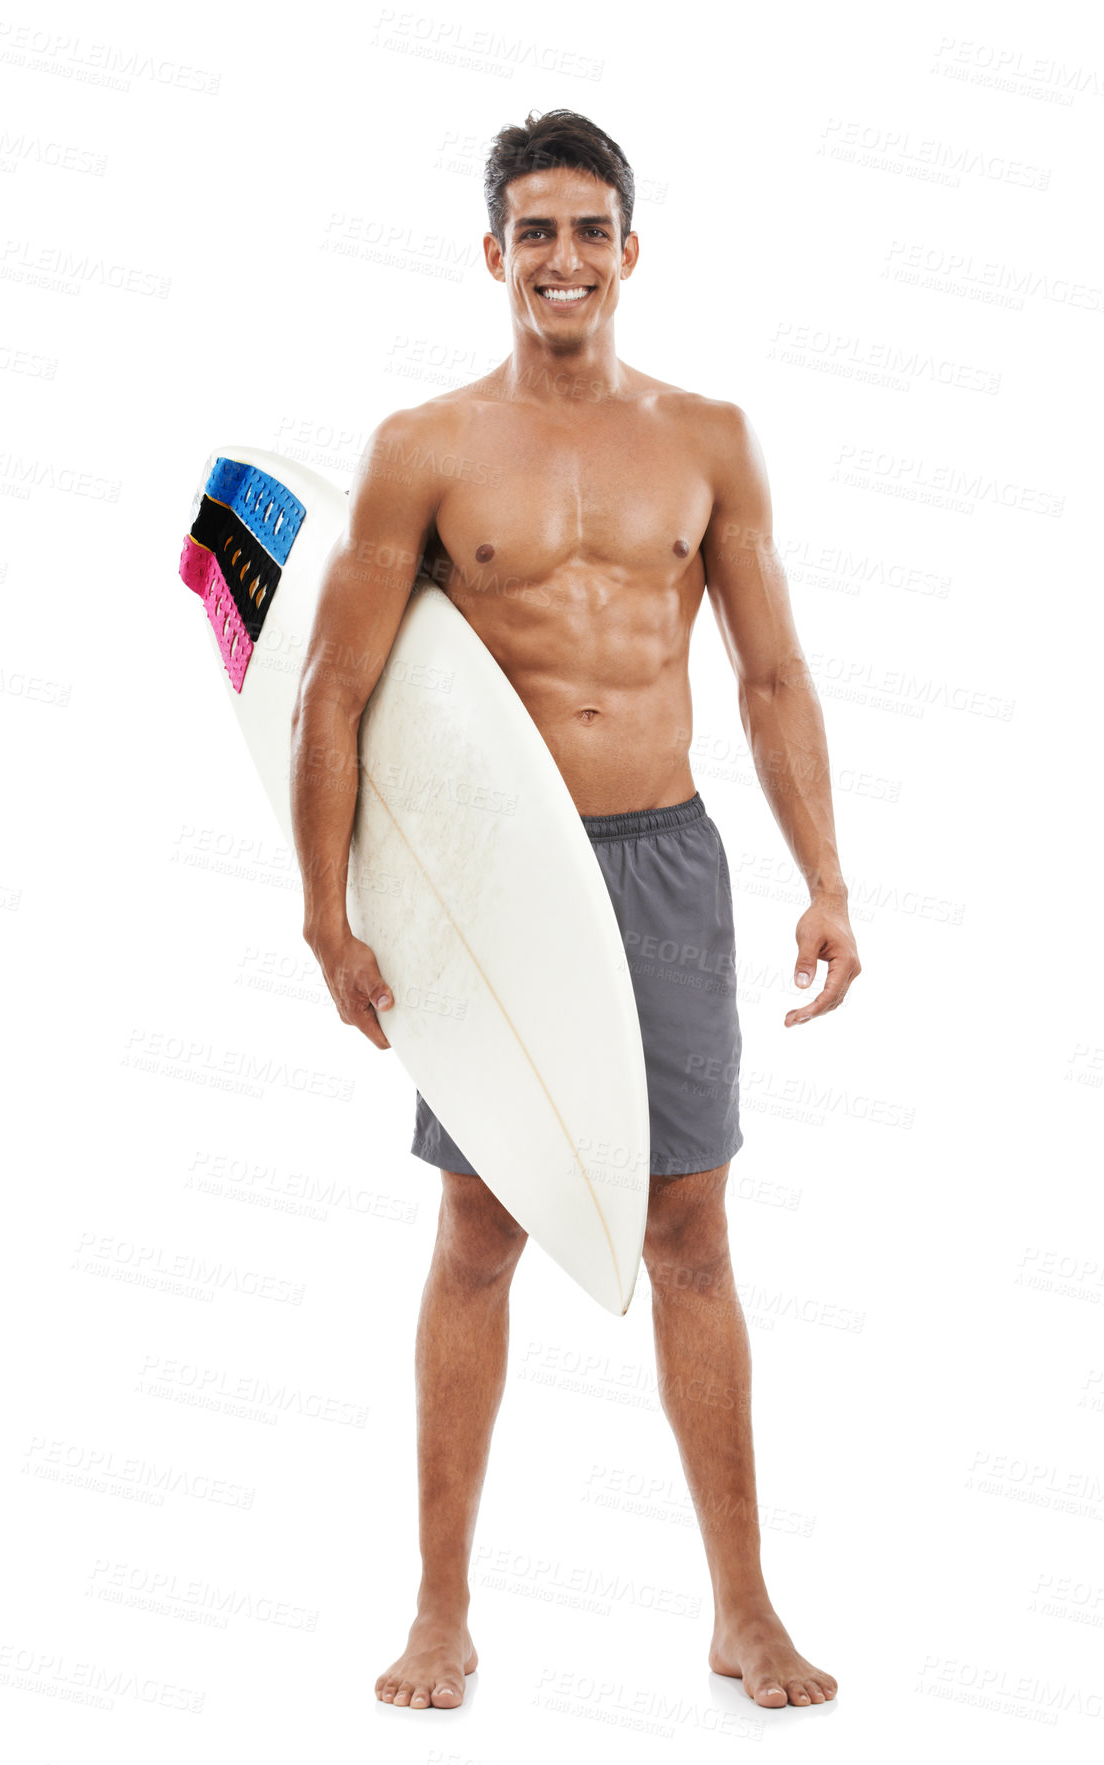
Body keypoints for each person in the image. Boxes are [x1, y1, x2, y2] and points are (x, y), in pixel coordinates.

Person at [291, 108, 861, 1714]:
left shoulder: (709, 440)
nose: (561, 258)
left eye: (587, 230)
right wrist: (325, 909)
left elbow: (769, 673)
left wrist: (828, 877)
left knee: (692, 1231)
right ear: (493, 255)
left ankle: (743, 1612)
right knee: (480, 1230)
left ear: (629, 251)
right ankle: (440, 1611)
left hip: (666, 865)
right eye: (532, 231)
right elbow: (333, 690)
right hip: (495, 891)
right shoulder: (425, 448)